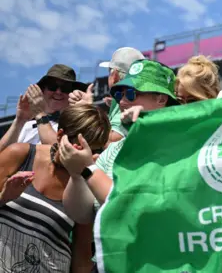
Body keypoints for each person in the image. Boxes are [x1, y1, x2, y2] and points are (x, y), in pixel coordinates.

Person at [61, 59, 178, 224]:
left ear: (161, 99)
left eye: (131, 93)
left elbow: (134, 211)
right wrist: (76, 175)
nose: (122, 102)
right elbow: (82, 216)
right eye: (119, 94)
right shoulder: (112, 151)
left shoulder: (180, 145)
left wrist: (89, 169)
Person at [0, 104, 110, 272]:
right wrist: (4, 198)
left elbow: (81, 259)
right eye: (81, 146)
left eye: (95, 150)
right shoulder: (20, 154)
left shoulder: (87, 187)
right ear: (60, 135)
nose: (87, 155)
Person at [0, 64, 87, 151]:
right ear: (43, 90)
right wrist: (20, 120)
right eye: (52, 86)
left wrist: (39, 113)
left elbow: (59, 152)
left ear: (72, 93)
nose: (58, 92)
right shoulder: (27, 126)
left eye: (65, 88)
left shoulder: (77, 126)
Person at [70, 47, 145, 142]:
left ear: (115, 76)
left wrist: (87, 109)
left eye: (109, 71)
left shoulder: (124, 101)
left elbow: (111, 141)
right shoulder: (133, 97)